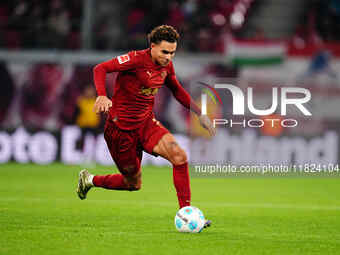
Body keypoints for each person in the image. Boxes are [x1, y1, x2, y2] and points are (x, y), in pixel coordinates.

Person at [76, 25, 215, 227]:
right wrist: (102, 95)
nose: (169, 57)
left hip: (146, 124)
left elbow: (176, 90)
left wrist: (199, 113)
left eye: (173, 53)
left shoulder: (167, 66)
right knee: (132, 184)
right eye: (165, 52)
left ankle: (186, 213)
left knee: (180, 157)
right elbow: (100, 68)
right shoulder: (134, 59)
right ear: (152, 47)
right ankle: (90, 180)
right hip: (120, 130)